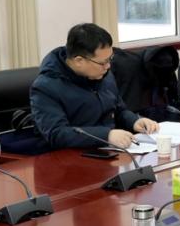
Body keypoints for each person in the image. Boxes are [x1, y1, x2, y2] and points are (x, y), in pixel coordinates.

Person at [30, 23, 159, 150]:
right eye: (103, 62)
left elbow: (118, 110)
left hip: (110, 152)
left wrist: (134, 121)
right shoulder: (45, 87)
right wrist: (106, 136)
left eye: (110, 59)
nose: (108, 66)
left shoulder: (103, 74)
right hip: (71, 156)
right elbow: (57, 134)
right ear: (79, 61)